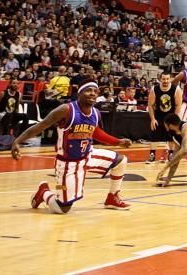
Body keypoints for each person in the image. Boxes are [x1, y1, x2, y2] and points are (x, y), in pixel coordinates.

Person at [11, 81, 132, 213]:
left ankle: (112, 197)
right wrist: (17, 141)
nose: (92, 93)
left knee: (120, 161)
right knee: (62, 208)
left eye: (95, 91)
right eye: (88, 90)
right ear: (79, 93)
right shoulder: (66, 110)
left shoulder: (96, 113)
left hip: (88, 155)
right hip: (68, 163)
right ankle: (44, 192)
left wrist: (117, 141)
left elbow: (95, 132)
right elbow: (41, 125)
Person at [147, 71, 181, 164]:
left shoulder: (176, 89)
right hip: (158, 115)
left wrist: (174, 118)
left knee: (171, 137)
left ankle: (171, 154)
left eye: (167, 79)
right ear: (160, 79)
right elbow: (150, 105)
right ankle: (152, 155)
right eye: (163, 79)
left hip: (170, 116)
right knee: (154, 135)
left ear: (170, 79)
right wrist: (153, 119)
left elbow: (178, 105)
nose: (165, 81)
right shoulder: (155, 89)